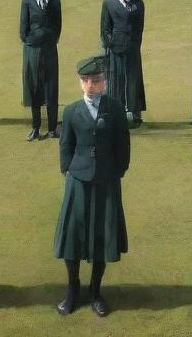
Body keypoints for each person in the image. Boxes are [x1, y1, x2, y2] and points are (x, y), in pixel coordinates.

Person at [53, 55, 131, 318]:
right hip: (78, 181)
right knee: (73, 236)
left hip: (106, 181)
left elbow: (123, 146)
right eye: (86, 81)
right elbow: (66, 146)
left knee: (102, 235)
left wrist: (116, 172)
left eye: (95, 80)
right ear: (80, 83)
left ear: (103, 82)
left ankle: (95, 291)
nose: (91, 85)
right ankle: (73, 289)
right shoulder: (72, 111)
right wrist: (69, 170)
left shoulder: (116, 109)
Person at [20, 0, 63, 141]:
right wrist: (33, 40)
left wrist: (50, 39)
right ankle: (36, 127)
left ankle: (52, 128)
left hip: (50, 50)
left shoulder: (55, 1)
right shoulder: (27, 1)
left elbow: (58, 26)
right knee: (34, 87)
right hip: (32, 51)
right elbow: (23, 29)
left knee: (51, 88)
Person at [99, 0, 146, 128]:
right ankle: (115, 114)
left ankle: (135, 112)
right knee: (115, 81)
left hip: (132, 49)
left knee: (133, 80)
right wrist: (109, 45)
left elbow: (140, 28)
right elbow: (105, 28)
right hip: (115, 49)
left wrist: (135, 45)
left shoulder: (138, 3)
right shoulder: (109, 3)